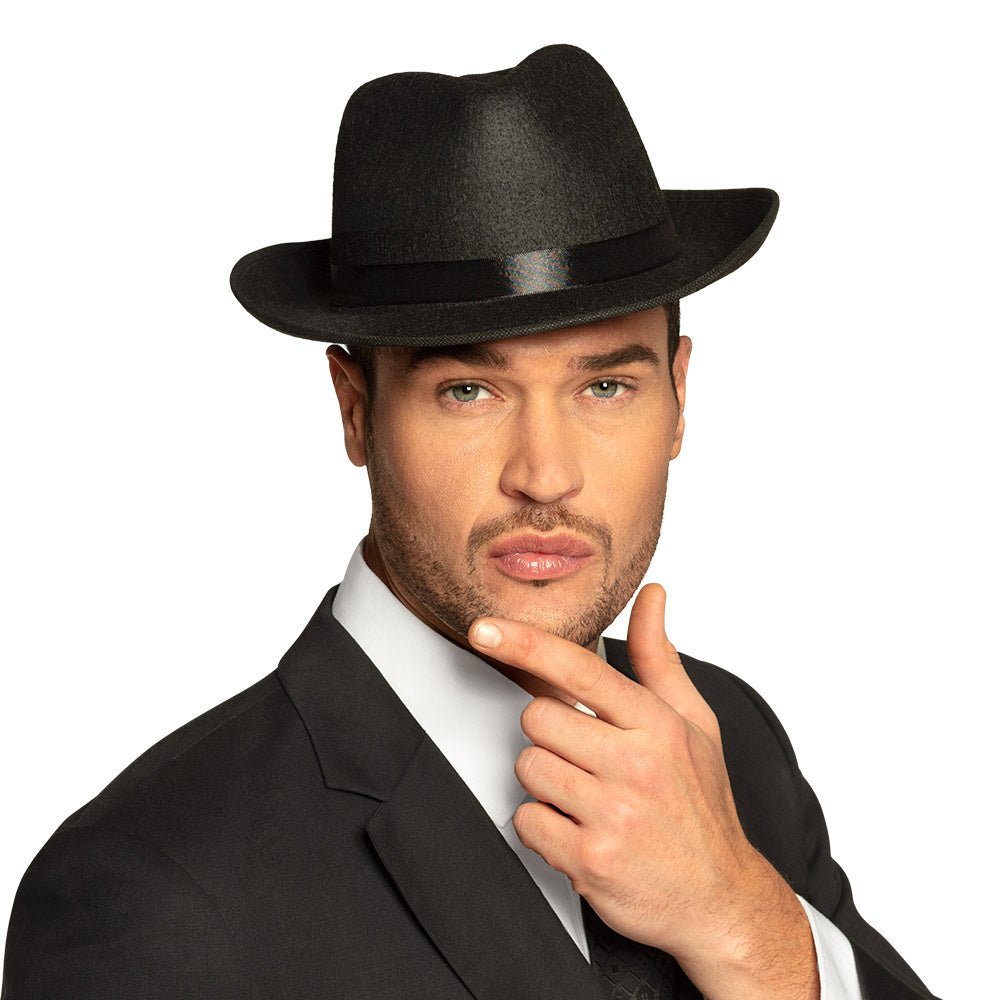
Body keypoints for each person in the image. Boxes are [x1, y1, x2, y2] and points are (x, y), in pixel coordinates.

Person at [2, 43, 939, 1000]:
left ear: (680, 397)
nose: (546, 476)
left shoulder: (723, 741)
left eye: (606, 387)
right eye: (467, 391)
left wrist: (744, 925)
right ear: (356, 409)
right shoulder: (153, 886)